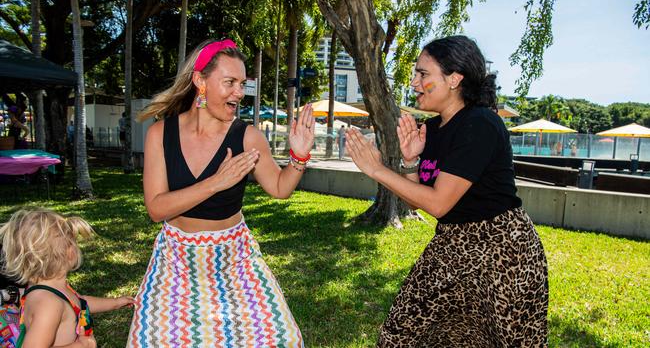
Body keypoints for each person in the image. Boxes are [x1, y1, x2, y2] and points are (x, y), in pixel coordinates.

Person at [345, 35, 548, 347]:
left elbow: (439, 203)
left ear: (454, 79)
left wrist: (377, 169)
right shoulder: (435, 129)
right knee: (403, 332)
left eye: (423, 74)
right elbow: (420, 202)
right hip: (453, 244)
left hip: (502, 250)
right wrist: (411, 161)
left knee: (500, 340)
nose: (414, 82)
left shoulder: (480, 124)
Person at [127, 39, 314, 347]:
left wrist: (299, 157)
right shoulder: (161, 133)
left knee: (283, 339)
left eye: (242, 84)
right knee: (150, 340)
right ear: (200, 81)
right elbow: (157, 209)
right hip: (176, 263)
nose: (239, 93)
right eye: (230, 83)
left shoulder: (248, 137)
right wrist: (216, 182)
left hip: (235, 262)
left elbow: (280, 189)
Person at [0, 208, 134, 348]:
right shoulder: (48, 304)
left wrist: (115, 303)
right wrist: (81, 346)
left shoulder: (54, 290)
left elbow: (80, 303)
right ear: (69, 252)